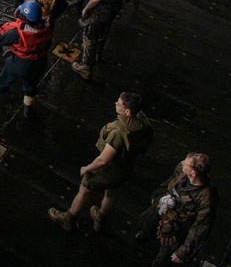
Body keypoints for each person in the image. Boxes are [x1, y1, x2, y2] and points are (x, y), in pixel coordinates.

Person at [48, 92, 154, 233]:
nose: (115, 105)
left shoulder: (118, 132)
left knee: (84, 191)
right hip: (125, 168)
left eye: (119, 104)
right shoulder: (142, 121)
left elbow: (103, 160)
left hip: (108, 170)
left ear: (127, 111)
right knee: (111, 193)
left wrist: (87, 168)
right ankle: (100, 217)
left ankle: (68, 218)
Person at [136, 153, 217, 267]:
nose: (182, 162)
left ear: (193, 173)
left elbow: (201, 227)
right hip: (163, 208)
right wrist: (157, 195)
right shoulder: (181, 170)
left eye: (186, 162)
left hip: (177, 226)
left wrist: (183, 251)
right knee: (149, 222)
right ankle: (147, 233)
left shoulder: (206, 198)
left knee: (165, 255)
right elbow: (170, 181)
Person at [0, 0, 53, 119]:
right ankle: (28, 109)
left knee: (4, 79)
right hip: (40, 62)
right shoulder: (46, 28)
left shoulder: (16, 33)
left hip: (20, 63)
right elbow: (48, 44)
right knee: (31, 84)